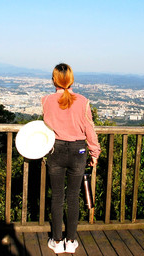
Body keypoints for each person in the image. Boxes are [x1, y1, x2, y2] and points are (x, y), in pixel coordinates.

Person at [42, 63, 101, 254]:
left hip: (55, 150)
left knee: (57, 197)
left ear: (54, 80)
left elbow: (46, 128)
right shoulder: (83, 101)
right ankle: (71, 241)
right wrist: (94, 153)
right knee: (73, 197)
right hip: (78, 151)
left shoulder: (46, 101)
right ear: (72, 80)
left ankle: (57, 241)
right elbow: (89, 129)